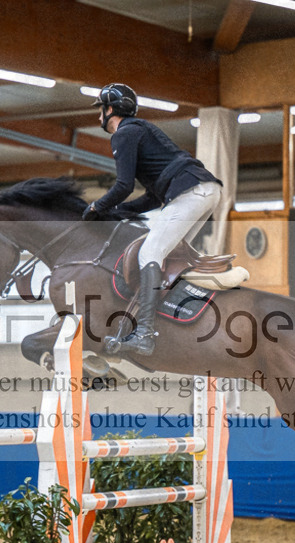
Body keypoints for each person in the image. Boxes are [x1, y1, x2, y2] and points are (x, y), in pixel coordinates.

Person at [84, 83, 222, 357]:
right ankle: (170, 318)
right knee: (167, 255)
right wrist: (117, 213)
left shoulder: (123, 134)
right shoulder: (140, 130)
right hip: (205, 190)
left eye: (101, 109)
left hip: (191, 192)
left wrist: (96, 206)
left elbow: (123, 185)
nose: (99, 116)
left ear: (110, 109)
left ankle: (145, 333)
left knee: (150, 252)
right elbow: (151, 198)